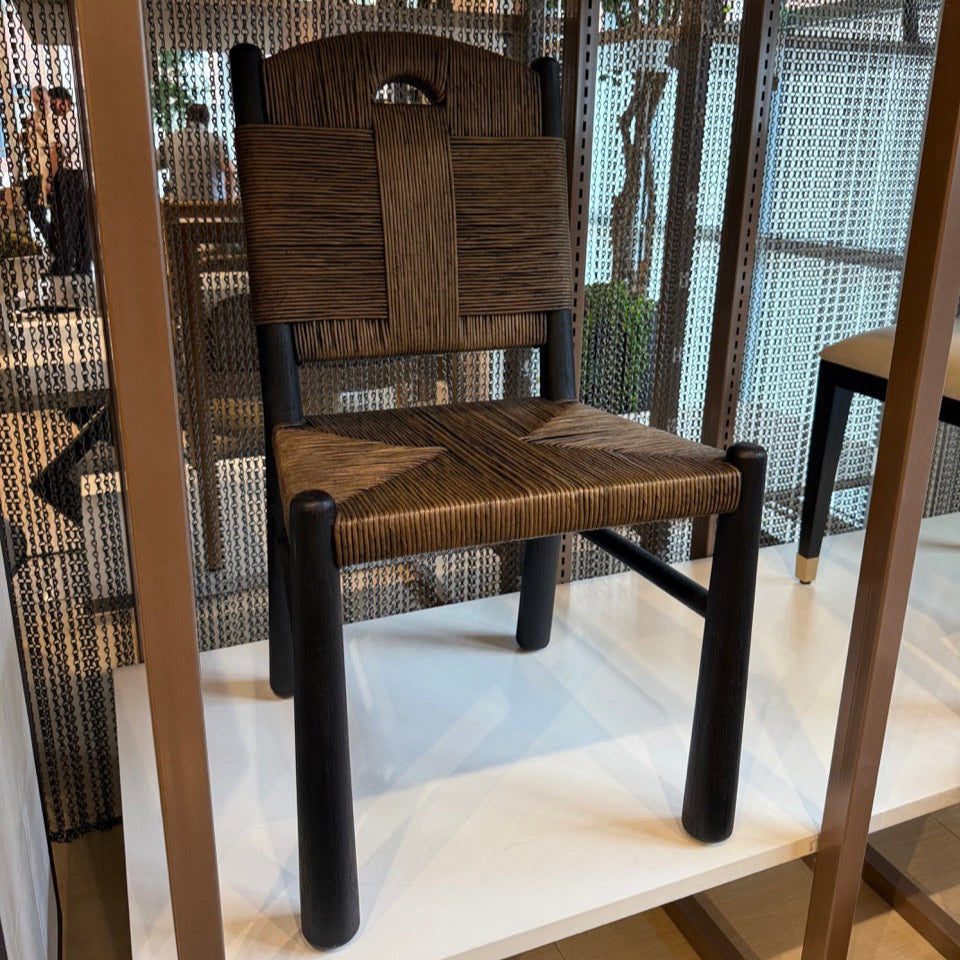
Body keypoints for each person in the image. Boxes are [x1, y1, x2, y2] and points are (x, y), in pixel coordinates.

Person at [47, 85, 92, 276]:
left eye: (54, 102)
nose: (53, 106)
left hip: (68, 176)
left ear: (63, 101)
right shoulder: (81, 119)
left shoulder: (62, 122)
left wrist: (49, 179)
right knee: (82, 220)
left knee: (67, 221)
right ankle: (83, 264)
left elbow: (58, 153)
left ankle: (64, 264)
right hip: (81, 174)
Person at [157, 103, 236, 202]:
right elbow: (230, 171)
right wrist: (230, 199)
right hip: (213, 206)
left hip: (179, 207)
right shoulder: (216, 140)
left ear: (187, 119)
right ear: (207, 120)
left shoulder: (170, 140)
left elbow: (151, 167)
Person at [18, 85, 56, 247]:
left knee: (55, 211)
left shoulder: (54, 119)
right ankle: (52, 243)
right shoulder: (32, 117)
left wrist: (38, 128)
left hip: (49, 171)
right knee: (35, 211)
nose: (39, 105)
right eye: (35, 101)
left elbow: (54, 143)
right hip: (34, 171)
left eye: (42, 101)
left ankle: (58, 246)